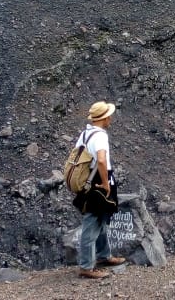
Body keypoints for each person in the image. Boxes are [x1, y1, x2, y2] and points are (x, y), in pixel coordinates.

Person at [74, 100, 126, 279]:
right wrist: (105, 183)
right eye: (108, 115)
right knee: (92, 221)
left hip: (86, 180)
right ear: (104, 118)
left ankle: (104, 255)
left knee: (100, 218)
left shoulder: (85, 134)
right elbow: (102, 160)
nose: (110, 118)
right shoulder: (100, 136)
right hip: (97, 181)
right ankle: (86, 266)